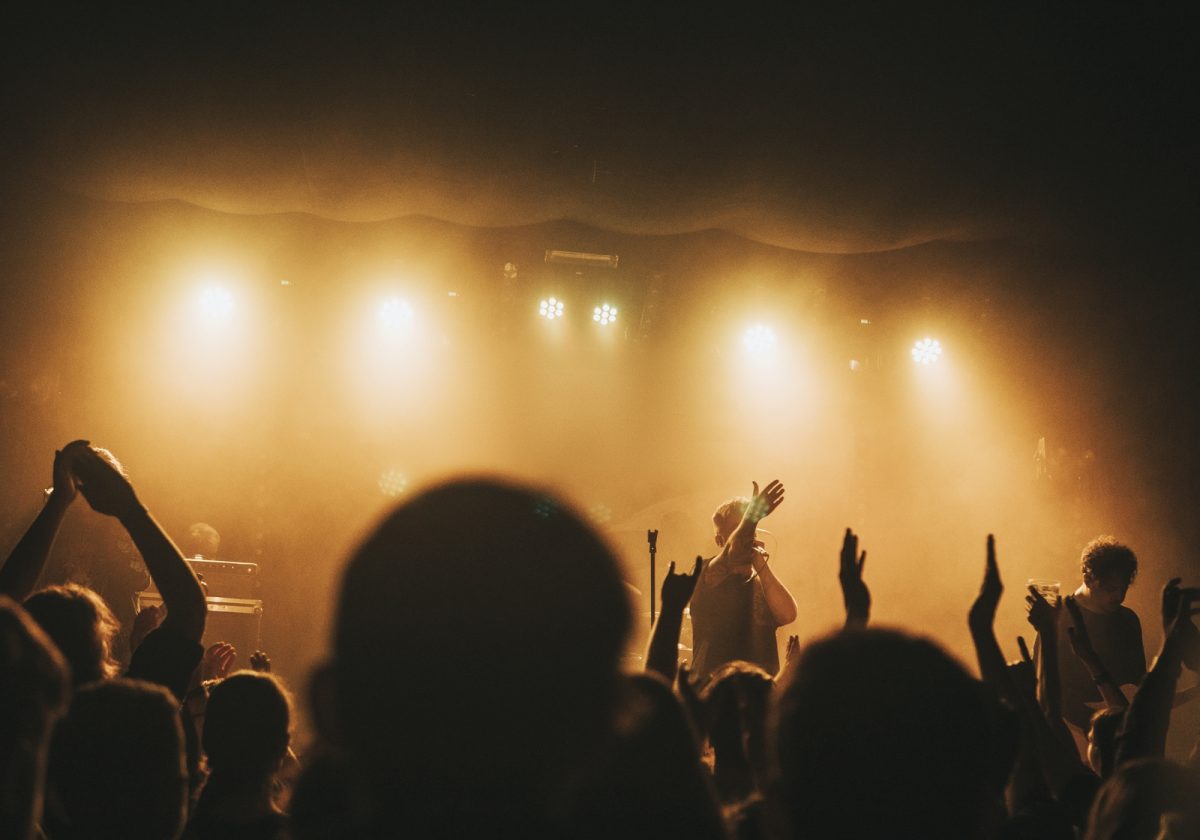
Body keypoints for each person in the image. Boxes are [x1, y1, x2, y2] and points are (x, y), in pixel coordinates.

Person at [689, 480, 796, 682]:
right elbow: (734, 550)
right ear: (720, 540)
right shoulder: (704, 571)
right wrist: (751, 518)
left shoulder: (761, 582)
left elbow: (788, 614)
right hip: (716, 697)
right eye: (737, 529)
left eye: (750, 529)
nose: (746, 533)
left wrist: (761, 566)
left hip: (759, 698)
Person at [1045, 537, 1145, 732]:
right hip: (1076, 737)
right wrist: (1099, 727)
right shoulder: (1057, 617)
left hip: (1119, 735)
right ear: (1088, 578)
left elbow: (1137, 684)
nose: (1119, 596)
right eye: (1110, 589)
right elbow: (1049, 689)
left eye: (1123, 588)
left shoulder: (1128, 620)